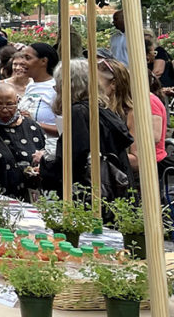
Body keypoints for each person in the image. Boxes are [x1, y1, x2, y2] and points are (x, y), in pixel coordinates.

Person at [37, 58, 134, 200]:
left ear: (67, 86)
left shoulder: (79, 113)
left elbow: (73, 161)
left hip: (94, 195)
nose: (56, 90)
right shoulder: (101, 109)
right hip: (114, 190)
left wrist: (44, 160)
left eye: (58, 85)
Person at [98, 58, 164, 173]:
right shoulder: (100, 109)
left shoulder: (134, 111)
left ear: (113, 84)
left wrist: (101, 158)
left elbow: (138, 159)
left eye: (97, 83)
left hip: (127, 179)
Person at [18, 42, 60, 154]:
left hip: (50, 152)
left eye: (27, 58)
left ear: (43, 61)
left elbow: (66, 129)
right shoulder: (30, 85)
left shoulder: (56, 89)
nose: (22, 62)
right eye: (22, 57)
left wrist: (34, 123)